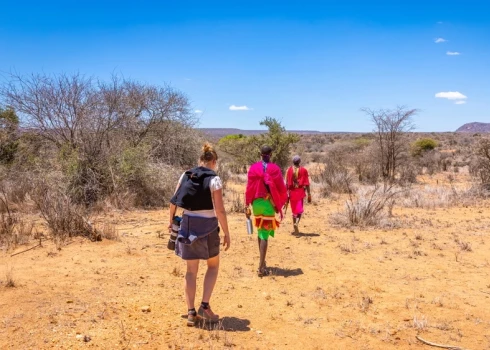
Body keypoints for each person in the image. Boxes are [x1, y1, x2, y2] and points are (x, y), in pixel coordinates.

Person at [168, 143, 231, 327]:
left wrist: (170, 220)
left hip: (188, 226)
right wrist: (227, 233)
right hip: (209, 228)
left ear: (200, 160)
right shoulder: (215, 180)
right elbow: (220, 210)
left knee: (190, 271)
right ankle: (205, 306)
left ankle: (190, 313)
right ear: (214, 161)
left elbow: (174, 201)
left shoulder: (186, 174)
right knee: (213, 266)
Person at [245, 145, 288, 277]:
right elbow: (281, 187)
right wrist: (280, 201)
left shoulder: (253, 168)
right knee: (264, 234)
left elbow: (249, 187)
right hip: (268, 203)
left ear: (260, 154)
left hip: (256, 203)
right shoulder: (274, 168)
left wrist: (247, 204)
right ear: (271, 154)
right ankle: (261, 267)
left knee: (260, 231)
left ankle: (263, 263)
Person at [285, 155, 311, 234]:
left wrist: (286, 194)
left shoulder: (288, 170)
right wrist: (309, 194)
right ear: (299, 161)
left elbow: (286, 183)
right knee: (299, 210)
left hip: (291, 192)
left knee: (294, 211)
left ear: (293, 161)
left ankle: (294, 227)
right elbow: (306, 183)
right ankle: (296, 223)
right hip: (300, 192)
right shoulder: (303, 170)